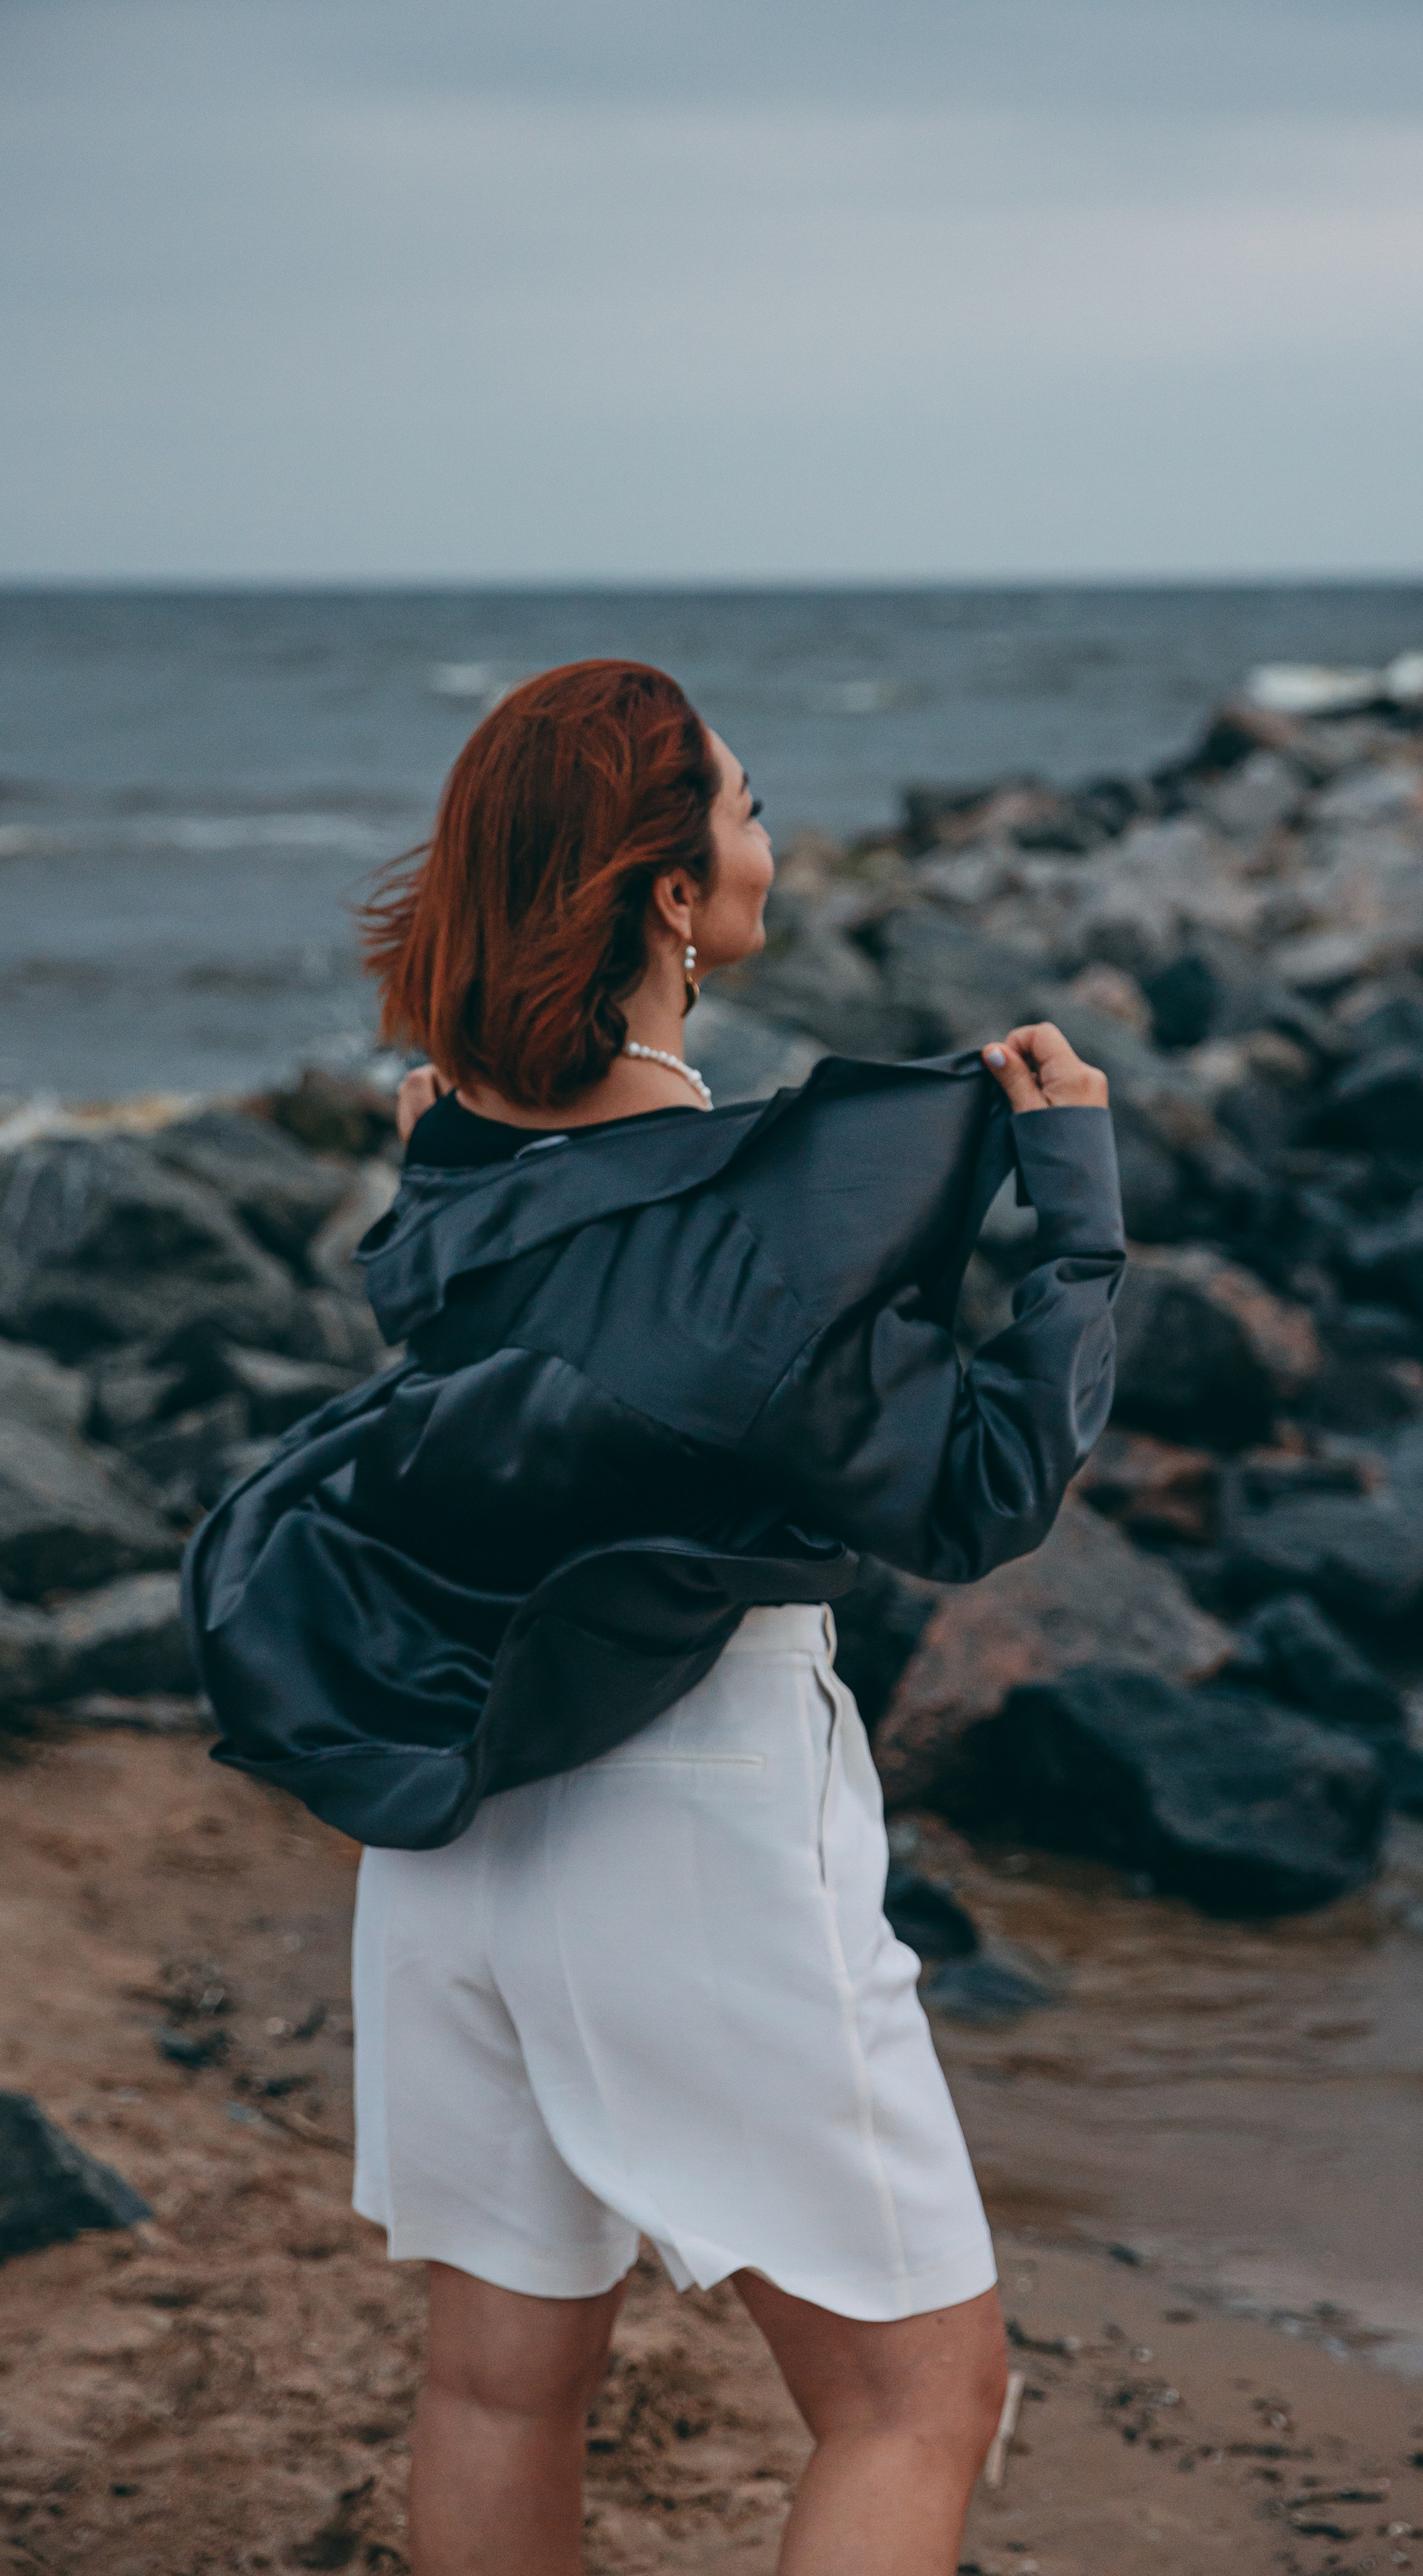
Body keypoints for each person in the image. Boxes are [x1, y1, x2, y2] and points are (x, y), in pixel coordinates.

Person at [185, 658, 1123, 2576]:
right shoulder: (751, 1219)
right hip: (692, 1809)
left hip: (454, 1825)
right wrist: (1080, 1225)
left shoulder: (452, 1172)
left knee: (500, 2388)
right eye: (746, 808)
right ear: (673, 894)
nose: (774, 839)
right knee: (917, 2398)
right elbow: (979, 1494)